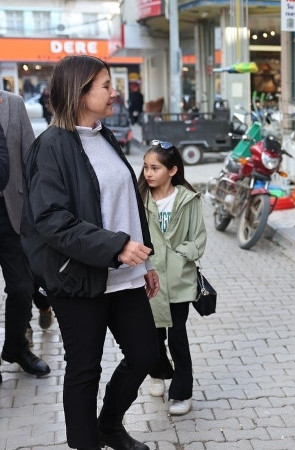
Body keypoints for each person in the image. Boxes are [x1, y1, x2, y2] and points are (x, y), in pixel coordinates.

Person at [21, 55, 160, 450]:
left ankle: (109, 425)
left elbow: (128, 204)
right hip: (78, 276)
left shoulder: (105, 135)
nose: (114, 92)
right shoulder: (50, 146)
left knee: (145, 354)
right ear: (80, 92)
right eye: (105, 85)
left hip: (124, 273)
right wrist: (117, 247)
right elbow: (50, 219)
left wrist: (143, 260)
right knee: (84, 369)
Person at [136, 140, 207, 416]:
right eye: (145, 167)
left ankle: (182, 391)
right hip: (147, 279)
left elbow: (198, 239)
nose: (148, 173)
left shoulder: (188, 199)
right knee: (151, 335)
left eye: (155, 168)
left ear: (173, 170)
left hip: (179, 280)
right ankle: (157, 373)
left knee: (178, 336)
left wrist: (178, 254)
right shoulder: (139, 200)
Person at [0, 89, 51, 384]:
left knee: (21, 287)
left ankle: (17, 348)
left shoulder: (13, 103)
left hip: (13, 213)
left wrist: (38, 212)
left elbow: (31, 160)